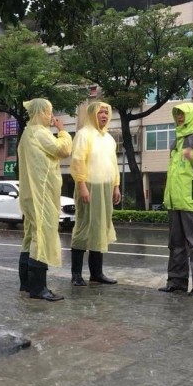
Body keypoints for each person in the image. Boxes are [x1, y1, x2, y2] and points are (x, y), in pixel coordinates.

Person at [18, 98, 72, 301]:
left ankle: (26, 283)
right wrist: (62, 130)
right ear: (40, 112)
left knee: (31, 235)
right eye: (49, 112)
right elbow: (63, 150)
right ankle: (38, 288)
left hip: (31, 193)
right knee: (43, 235)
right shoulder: (40, 132)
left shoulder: (26, 133)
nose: (51, 116)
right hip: (41, 193)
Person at [159, 102, 193, 297]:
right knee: (176, 245)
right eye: (177, 115)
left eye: (182, 115)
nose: (179, 118)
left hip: (192, 202)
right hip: (174, 203)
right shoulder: (176, 142)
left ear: (191, 116)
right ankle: (176, 282)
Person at [70, 101, 121, 286]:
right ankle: (76, 274)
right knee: (84, 226)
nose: (105, 116)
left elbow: (114, 164)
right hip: (89, 186)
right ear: (93, 114)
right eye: (101, 112)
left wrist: (116, 185)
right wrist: (82, 186)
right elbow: (77, 162)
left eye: (107, 112)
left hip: (106, 187)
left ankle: (96, 273)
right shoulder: (83, 135)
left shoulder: (108, 138)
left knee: (100, 228)